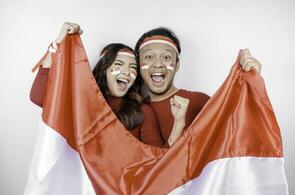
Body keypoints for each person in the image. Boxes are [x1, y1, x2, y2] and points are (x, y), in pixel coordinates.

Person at [30, 23, 189, 147]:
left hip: (124, 188)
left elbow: (161, 163)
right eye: (119, 64)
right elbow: (38, 96)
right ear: (104, 69)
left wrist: (179, 124)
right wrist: (59, 42)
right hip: (84, 188)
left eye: (133, 68)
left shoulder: (142, 111)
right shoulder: (83, 102)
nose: (127, 73)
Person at [135, 27, 262, 145]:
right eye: (149, 57)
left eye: (166, 57)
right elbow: (151, 166)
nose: (158, 64)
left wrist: (252, 85)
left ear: (177, 65)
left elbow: (239, 135)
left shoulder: (200, 102)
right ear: (139, 65)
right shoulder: (135, 112)